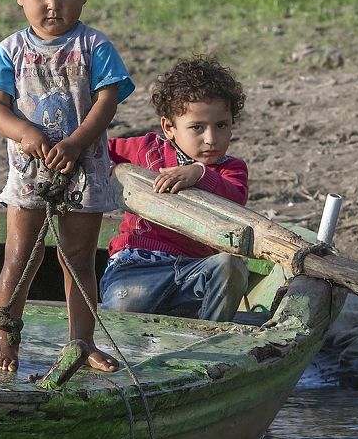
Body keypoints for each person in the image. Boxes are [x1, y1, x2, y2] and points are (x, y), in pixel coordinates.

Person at [0, 0, 134, 372]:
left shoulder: (94, 47)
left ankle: (82, 342)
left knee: (77, 258)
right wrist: (27, 134)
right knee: (20, 256)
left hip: (83, 170)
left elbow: (107, 100)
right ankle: (6, 337)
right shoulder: (10, 51)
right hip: (29, 173)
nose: (53, 4)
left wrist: (77, 142)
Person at [100, 56, 249, 321]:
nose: (211, 139)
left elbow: (235, 200)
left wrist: (199, 173)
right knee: (124, 301)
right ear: (169, 127)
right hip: (137, 267)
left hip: (194, 272)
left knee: (230, 266)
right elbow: (97, 152)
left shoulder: (230, 169)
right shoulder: (145, 150)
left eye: (222, 125)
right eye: (197, 128)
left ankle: (209, 340)